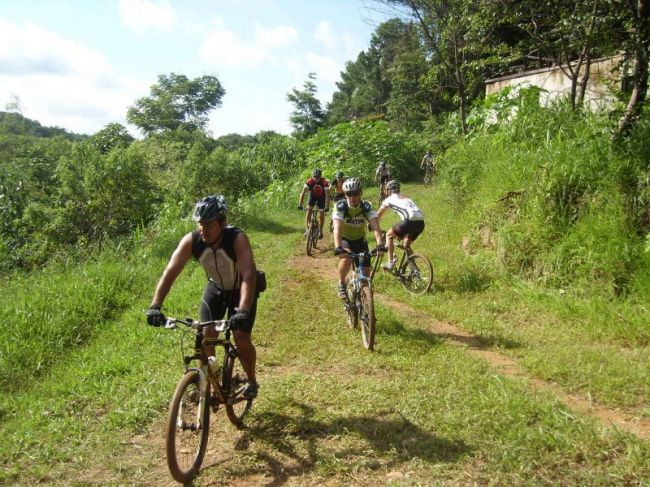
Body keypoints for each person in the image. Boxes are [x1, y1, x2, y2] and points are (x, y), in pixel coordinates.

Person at [145, 195, 260, 399]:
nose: (203, 229)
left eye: (208, 224)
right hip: (215, 289)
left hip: (240, 290)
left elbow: (249, 275)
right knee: (205, 335)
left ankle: (251, 380)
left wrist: (242, 310)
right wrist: (156, 305)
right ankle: (207, 383)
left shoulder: (236, 238)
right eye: (200, 223)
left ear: (222, 223)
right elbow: (170, 272)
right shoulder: (193, 240)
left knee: (241, 337)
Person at [332, 178, 385, 298]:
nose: (352, 197)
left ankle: (365, 304)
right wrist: (338, 247)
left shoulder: (366, 206)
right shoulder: (340, 206)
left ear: (360, 193)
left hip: (360, 240)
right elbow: (337, 228)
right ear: (345, 194)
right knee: (346, 258)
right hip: (345, 239)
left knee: (366, 277)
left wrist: (380, 245)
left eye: (355, 193)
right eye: (348, 194)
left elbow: (375, 227)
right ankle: (341, 282)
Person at [376, 180, 425, 271]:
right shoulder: (406, 198)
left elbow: (377, 216)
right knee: (406, 245)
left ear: (389, 190)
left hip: (409, 221)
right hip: (421, 222)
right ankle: (415, 271)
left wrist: (370, 224)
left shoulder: (388, 200)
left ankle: (391, 262)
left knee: (389, 235)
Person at [298, 168, 329, 239]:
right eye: (315, 177)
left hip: (321, 197)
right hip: (312, 196)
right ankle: (307, 230)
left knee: (321, 213)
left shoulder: (324, 182)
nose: (316, 179)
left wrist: (326, 206)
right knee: (309, 210)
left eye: (318, 177)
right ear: (313, 176)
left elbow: (327, 195)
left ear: (320, 177)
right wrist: (300, 204)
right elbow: (303, 193)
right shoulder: (309, 181)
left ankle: (320, 231)